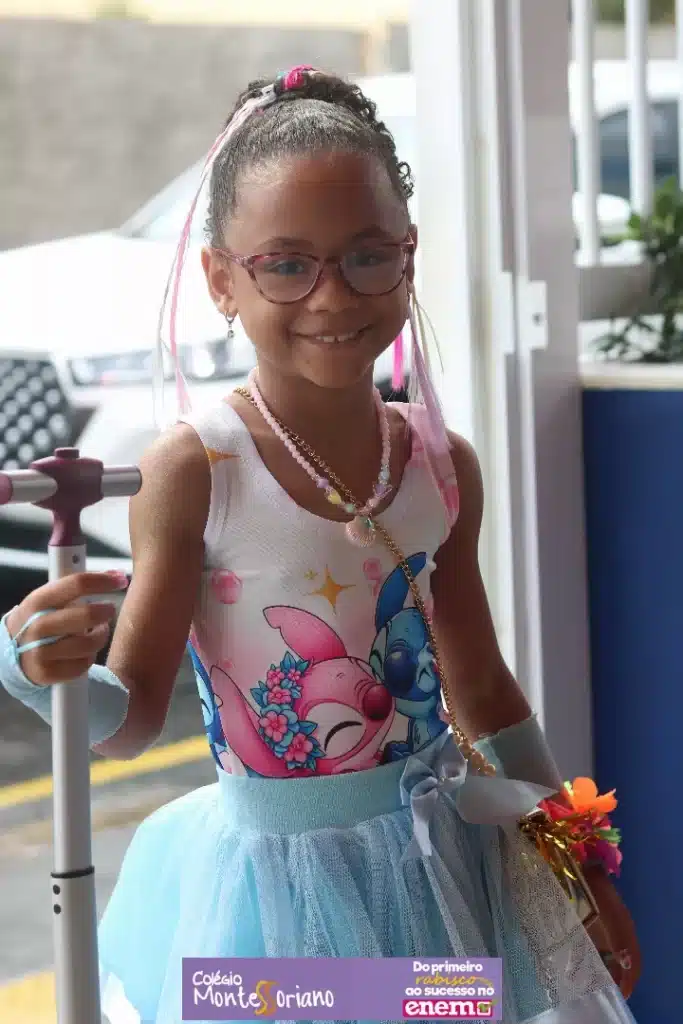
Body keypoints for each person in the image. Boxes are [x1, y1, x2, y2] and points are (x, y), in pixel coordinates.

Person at [0, 67, 640, 1023]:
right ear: (221, 277)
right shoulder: (197, 470)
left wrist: (577, 866)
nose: (332, 296)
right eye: (286, 264)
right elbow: (129, 722)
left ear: (408, 257)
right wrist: (34, 670)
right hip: (271, 909)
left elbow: (484, 689)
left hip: (446, 880)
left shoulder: (438, 461)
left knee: (455, 1009)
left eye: (367, 256)